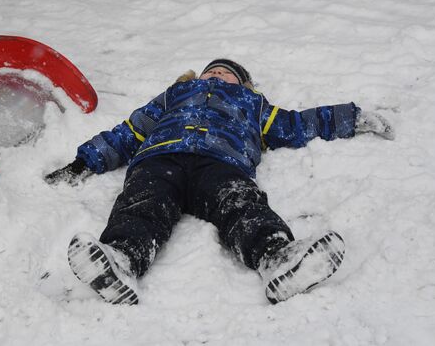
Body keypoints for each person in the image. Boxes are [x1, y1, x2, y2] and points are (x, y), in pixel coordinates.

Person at [45, 59, 394, 305]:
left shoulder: (252, 104)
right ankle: (121, 259)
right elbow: (130, 132)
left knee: (241, 205)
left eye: (226, 72)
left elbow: (297, 124)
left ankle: (277, 258)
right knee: (142, 204)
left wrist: (353, 118)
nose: (217, 73)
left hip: (221, 162)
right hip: (160, 159)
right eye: (212, 69)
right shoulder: (174, 96)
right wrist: (85, 161)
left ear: (242, 84)